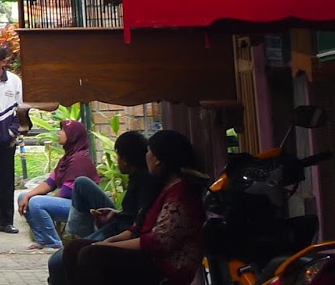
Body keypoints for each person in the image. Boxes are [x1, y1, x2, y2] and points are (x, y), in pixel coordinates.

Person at [59, 129, 205, 285]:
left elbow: (158, 242)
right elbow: (137, 227)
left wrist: (109, 246)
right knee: (74, 248)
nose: (146, 156)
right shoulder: (162, 186)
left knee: (90, 255)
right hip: (147, 253)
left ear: (157, 160)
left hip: (163, 265)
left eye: (149, 151)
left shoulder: (181, 193)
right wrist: (109, 242)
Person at [47, 131, 158, 285]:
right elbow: (134, 213)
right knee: (81, 183)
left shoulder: (146, 182)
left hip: (124, 230)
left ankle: (83, 240)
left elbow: (138, 226)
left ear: (125, 160)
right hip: (121, 223)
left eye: (118, 156)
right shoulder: (137, 177)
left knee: (56, 262)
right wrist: (116, 213)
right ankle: (79, 235)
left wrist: (108, 242)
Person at [18, 118, 100, 250]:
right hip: (68, 203)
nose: (59, 133)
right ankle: (41, 240)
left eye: (63, 130)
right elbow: (50, 182)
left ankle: (53, 243)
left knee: (36, 203)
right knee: (23, 197)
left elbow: (67, 192)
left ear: (73, 135)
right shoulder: (68, 157)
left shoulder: (80, 159)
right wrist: (28, 195)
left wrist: (40, 200)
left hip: (79, 208)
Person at [0, 44, 27, 235]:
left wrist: (13, 133)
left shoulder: (14, 82)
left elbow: (21, 110)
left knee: (6, 183)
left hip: (6, 142)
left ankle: (6, 222)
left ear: (3, 62)